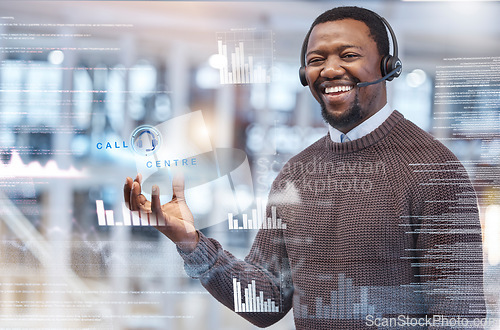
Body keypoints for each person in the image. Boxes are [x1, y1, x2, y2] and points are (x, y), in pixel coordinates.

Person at [124, 6, 486, 329]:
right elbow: (268, 302)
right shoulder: (296, 173)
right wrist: (191, 242)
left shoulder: (435, 170)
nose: (330, 69)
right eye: (316, 59)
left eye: (349, 55)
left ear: (387, 66)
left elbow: (459, 316)